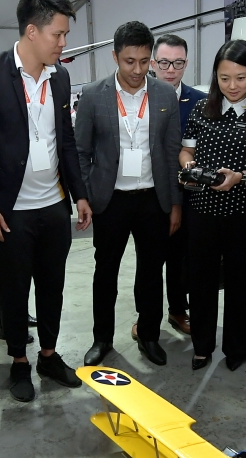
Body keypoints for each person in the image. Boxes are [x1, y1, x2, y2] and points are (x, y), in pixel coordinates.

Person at [0, 0, 90, 403]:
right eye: (58, 34)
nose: (63, 42)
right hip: (9, 209)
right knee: (14, 289)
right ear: (32, 32)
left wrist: (79, 194)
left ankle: (49, 356)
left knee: (52, 285)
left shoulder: (61, 76)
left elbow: (65, 141)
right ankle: (19, 360)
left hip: (52, 204)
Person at [76, 21, 181, 367]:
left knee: (152, 272)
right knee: (105, 271)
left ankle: (149, 334)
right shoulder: (93, 95)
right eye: (129, 61)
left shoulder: (165, 94)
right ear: (115, 57)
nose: (137, 69)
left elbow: (170, 152)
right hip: (111, 201)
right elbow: (81, 151)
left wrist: (175, 204)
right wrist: (87, 195)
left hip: (153, 199)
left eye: (144, 61)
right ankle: (101, 338)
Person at [180, 40, 246, 371]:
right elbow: (186, 151)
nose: (232, 86)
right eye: (224, 78)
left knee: (241, 280)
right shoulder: (201, 109)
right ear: (215, 77)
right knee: (201, 280)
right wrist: (189, 167)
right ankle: (202, 345)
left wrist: (239, 177)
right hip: (203, 209)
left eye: (240, 77)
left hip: (244, 211)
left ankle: (238, 347)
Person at [148, 33, 207, 337]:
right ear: (153, 63)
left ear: (186, 63)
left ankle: (177, 310)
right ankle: (147, 318)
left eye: (178, 62)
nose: (171, 69)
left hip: (188, 195)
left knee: (181, 258)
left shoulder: (200, 102)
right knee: (149, 261)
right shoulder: (141, 97)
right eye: (164, 62)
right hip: (148, 194)